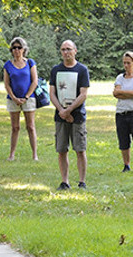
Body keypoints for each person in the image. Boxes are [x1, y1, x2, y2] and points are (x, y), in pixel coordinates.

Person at [50, 40, 90, 190]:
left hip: (78, 115)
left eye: (68, 49)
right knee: (61, 150)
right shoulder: (55, 70)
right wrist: (62, 110)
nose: (66, 52)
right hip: (60, 115)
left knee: (80, 149)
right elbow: (52, 93)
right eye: (63, 50)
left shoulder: (82, 70)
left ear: (75, 50)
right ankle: (65, 181)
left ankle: (82, 181)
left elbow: (83, 94)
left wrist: (69, 110)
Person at [2, 37, 38, 161]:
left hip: (29, 98)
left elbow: (35, 81)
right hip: (13, 99)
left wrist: (26, 96)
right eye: (14, 48)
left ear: (24, 49)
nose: (16, 50)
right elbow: (6, 84)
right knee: (15, 127)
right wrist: (14, 98)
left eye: (19, 48)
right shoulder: (8, 65)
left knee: (30, 126)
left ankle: (34, 155)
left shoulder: (30, 63)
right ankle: (11, 154)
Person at [112, 51, 133, 172]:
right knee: (123, 141)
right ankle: (126, 165)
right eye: (124, 63)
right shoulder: (120, 78)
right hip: (121, 113)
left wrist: (123, 93)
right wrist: (132, 94)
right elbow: (115, 93)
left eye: (128, 63)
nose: (126, 65)